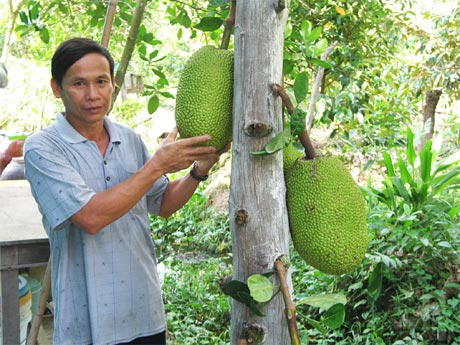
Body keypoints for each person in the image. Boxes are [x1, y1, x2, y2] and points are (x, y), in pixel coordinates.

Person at [24, 37, 229, 345]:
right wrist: (156, 165)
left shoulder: (128, 138)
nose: (93, 94)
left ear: (113, 84)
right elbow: (90, 217)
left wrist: (199, 170)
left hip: (143, 311)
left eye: (101, 81)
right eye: (79, 83)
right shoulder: (43, 148)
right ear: (57, 88)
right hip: (86, 322)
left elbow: (164, 204)